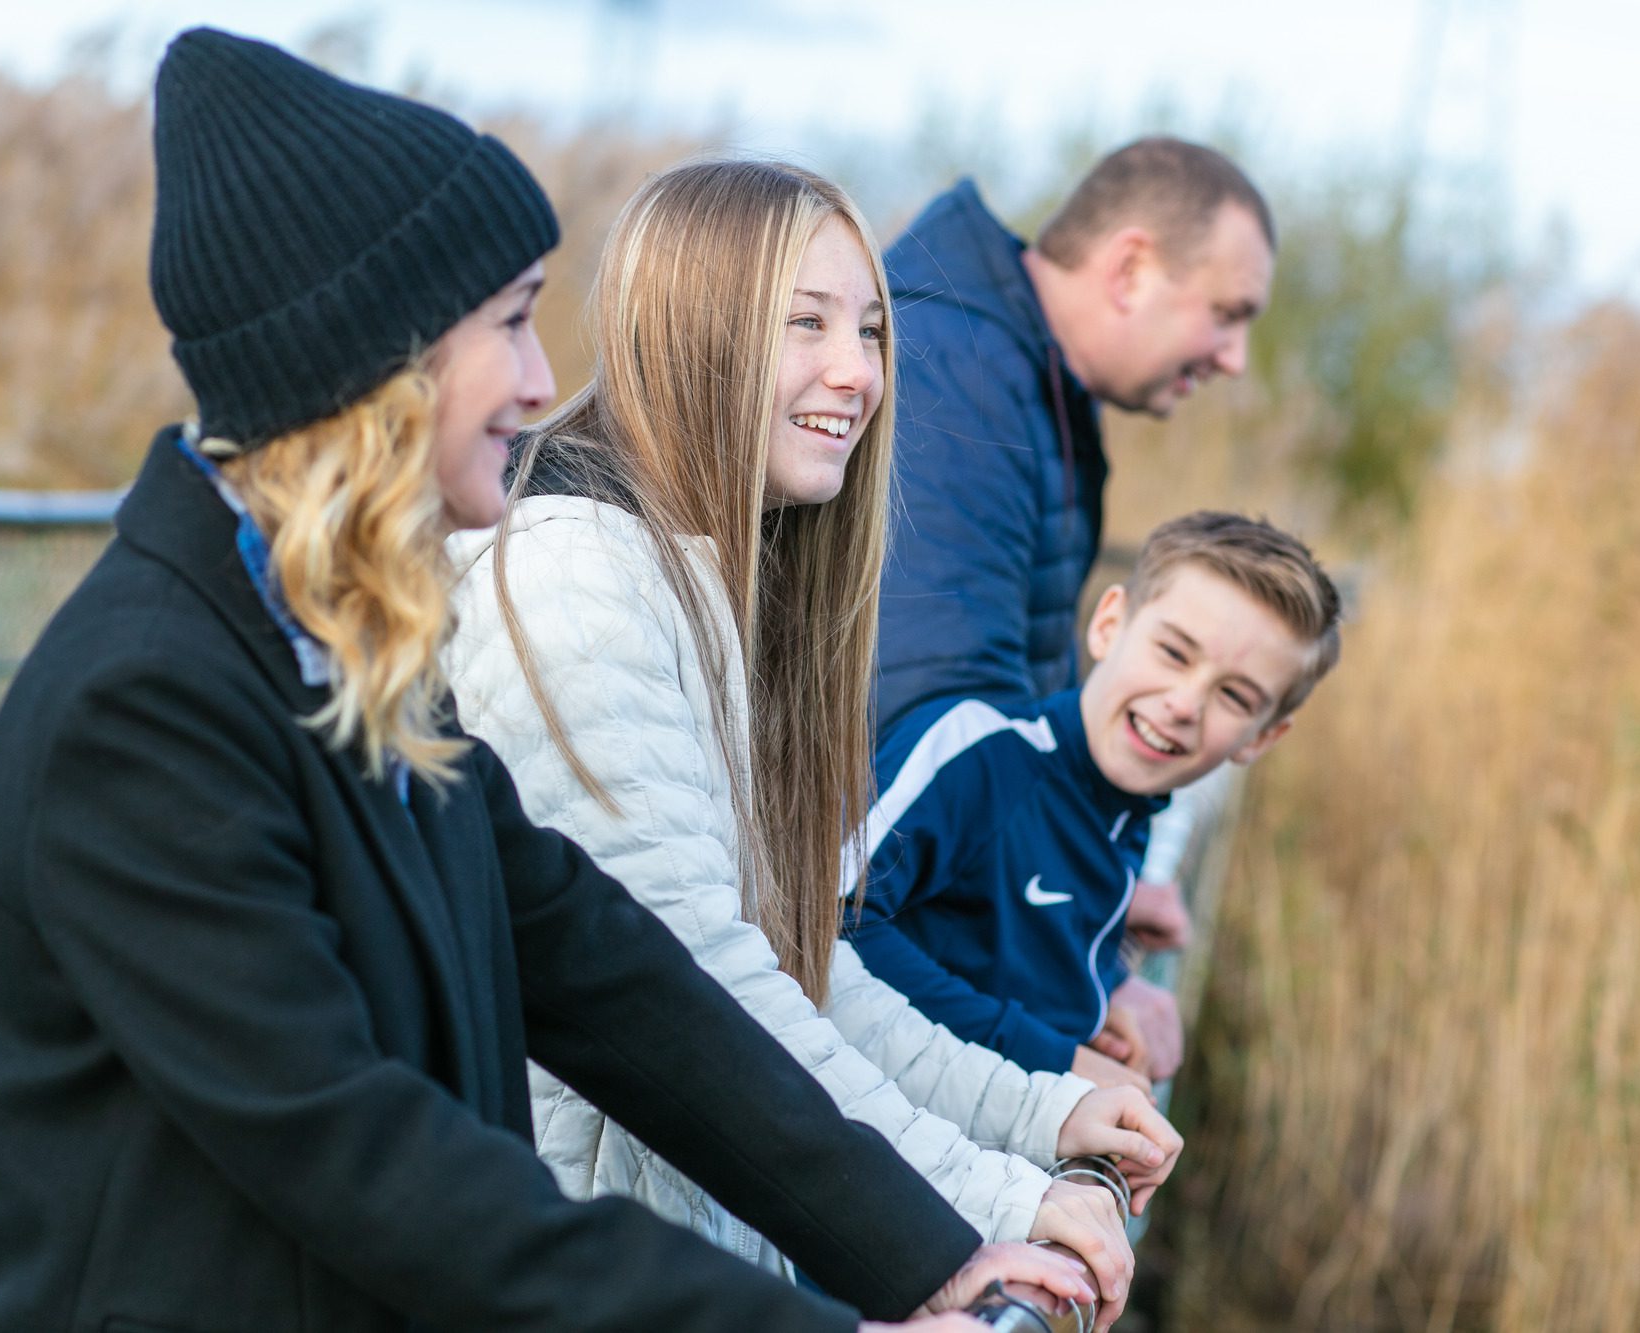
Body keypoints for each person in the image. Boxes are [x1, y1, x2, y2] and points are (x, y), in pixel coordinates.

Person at [0, 30, 1105, 1333]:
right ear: (379, 355)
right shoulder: (143, 707)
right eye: (514, 323)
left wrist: (926, 1251)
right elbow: (372, 1163)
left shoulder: (346, 640)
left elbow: (611, 978)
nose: (543, 384)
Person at [444, 157, 1178, 1314]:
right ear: (691, 330)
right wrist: (980, 1204)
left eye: (874, 329)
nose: (860, 372)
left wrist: (1035, 1111)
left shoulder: (728, 581)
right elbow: (703, 991)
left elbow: (803, 960)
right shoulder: (575, 580)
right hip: (579, 1271)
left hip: (691, 1249)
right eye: (805, 324)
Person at [873, 139, 1278, 1083]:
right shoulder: (963, 377)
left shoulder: (1026, 376)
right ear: (1131, 267)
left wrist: (1101, 888)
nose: (1235, 357)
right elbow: (936, 736)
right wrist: (1079, 979)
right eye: (1226, 315)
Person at [846, 513, 1341, 1092]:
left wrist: (1095, 1003)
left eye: (1233, 695)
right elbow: (830, 929)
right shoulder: (980, 753)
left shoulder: (1128, 811)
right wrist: (1060, 1062)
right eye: (1174, 653)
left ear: (1260, 738)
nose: (1185, 703)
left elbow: (1018, 941)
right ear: (1109, 624)